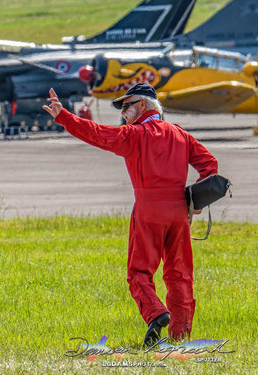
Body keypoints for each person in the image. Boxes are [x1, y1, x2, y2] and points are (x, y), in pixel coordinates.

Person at [43, 83, 218, 345]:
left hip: (148, 210)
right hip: (179, 211)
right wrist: (197, 204)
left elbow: (97, 133)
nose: (123, 112)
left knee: (138, 273)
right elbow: (210, 166)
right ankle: (180, 336)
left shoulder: (134, 135)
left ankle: (156, 313)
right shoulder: (180, 135)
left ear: (143, 105)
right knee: (179, 274)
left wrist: (63, 117)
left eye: (127, 106)